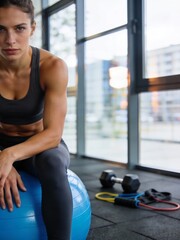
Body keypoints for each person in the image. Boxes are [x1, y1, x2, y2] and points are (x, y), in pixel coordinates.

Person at [0, 0, 73, 239]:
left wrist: (9, 156)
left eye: (19, 28)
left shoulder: (52, 67)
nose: (10, 40)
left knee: (52, 163)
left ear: (32, 28)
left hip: (40, 145)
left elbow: (53, 134)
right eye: (0, 29)